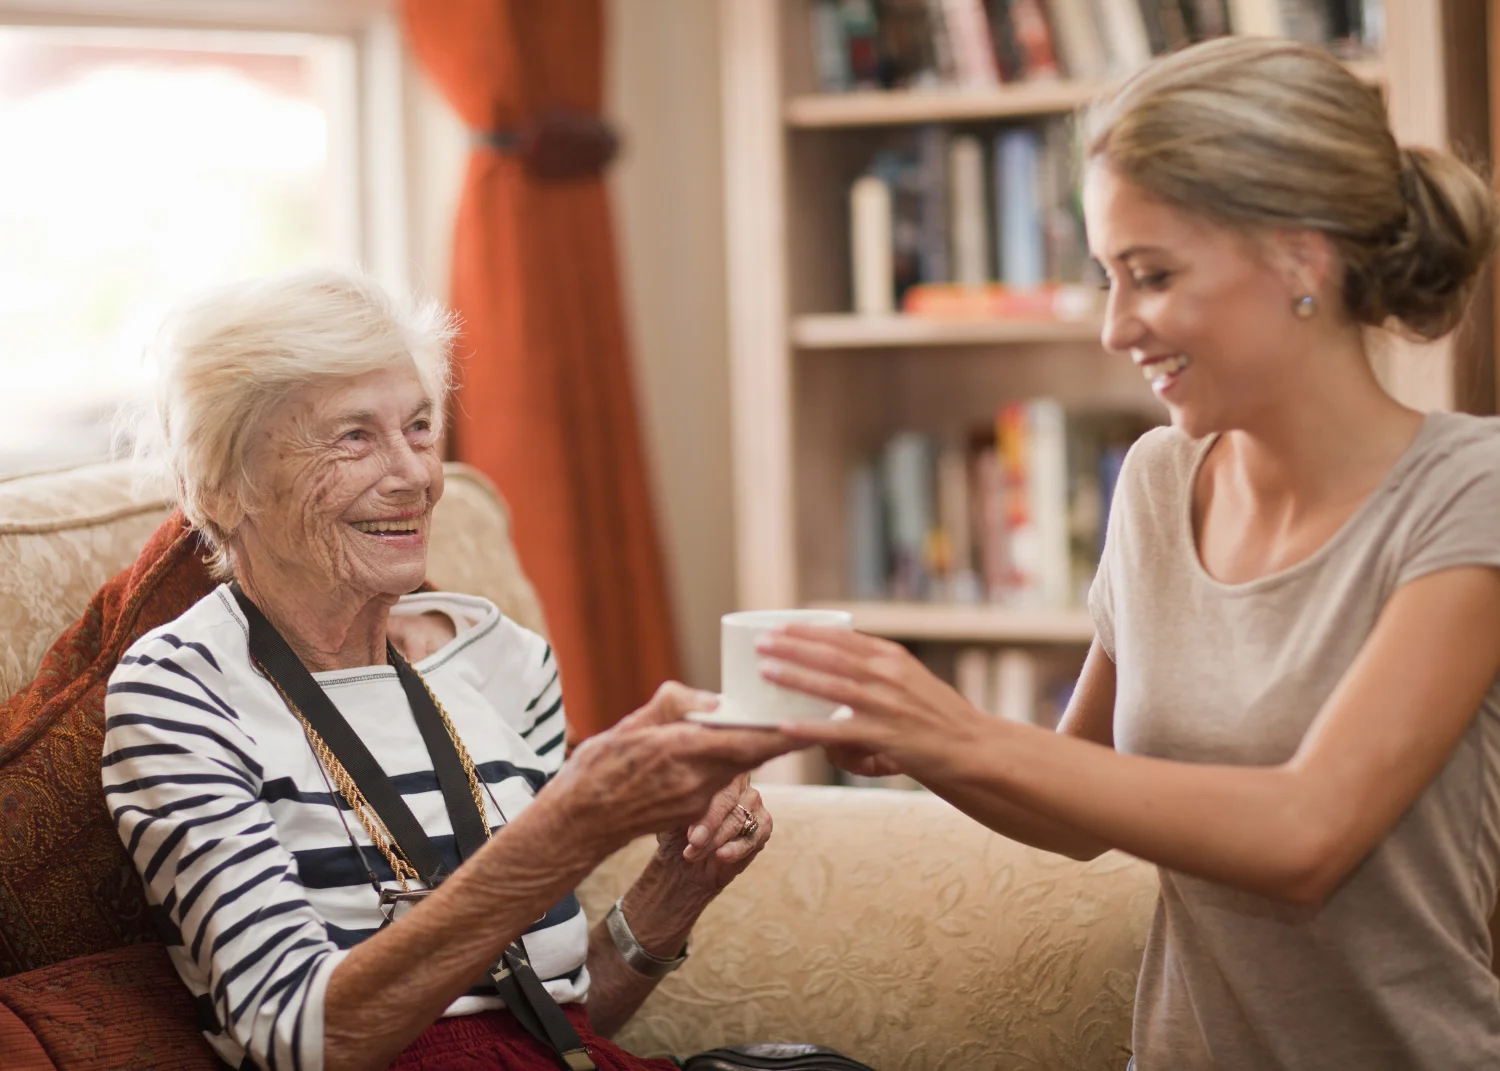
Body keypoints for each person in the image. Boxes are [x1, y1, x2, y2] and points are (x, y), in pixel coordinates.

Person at [757, 36, 1500, 1071]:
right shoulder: (1157, 479)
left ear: (1301, 256)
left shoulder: (1472, 493)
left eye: (1150, 275)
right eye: (1107, 276)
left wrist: (963, 733)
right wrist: (910, 735)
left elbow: (1306, 836)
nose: (1114, 327)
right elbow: (1078, 804)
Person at [101, 269, 796, 1071]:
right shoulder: (182, 692)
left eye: (421, 428)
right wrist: (567, 828)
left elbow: (557, 1024)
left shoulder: (504, 662)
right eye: (353, 435)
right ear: (219, 487)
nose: (415, 476)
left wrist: (678, 885)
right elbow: (302, 1043)